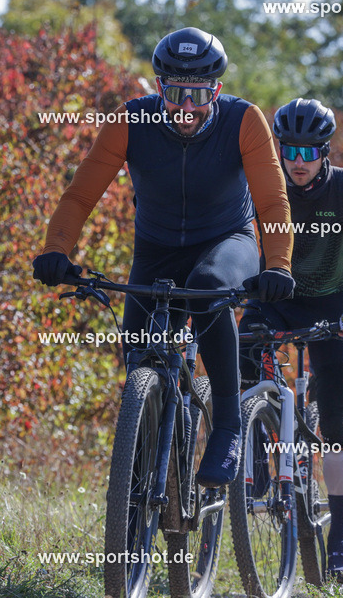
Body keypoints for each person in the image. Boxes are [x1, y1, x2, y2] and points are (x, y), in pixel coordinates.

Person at [31, 27, 294, 488]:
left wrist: (278, 266)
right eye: (175, 94)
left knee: (209, 288)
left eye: (199, 95)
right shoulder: (131, 121)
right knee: (140, 356)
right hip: (156, 250)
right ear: (159, 88)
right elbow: (80, 196)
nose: (186, 107)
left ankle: (227, 428)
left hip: (228, 241)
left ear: (216, 90)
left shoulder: (244, 121)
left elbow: (272, 203)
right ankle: (137, 491)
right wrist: (56, 251)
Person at [239, 98, 343, 582]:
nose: (298, 161)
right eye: (289, 150)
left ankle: (340, 539)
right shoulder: (263, 181)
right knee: (242, 344)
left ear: (325, 151)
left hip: (331, 305)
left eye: (309, 151)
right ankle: (260, 442)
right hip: (276, 295)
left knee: (335, 420)